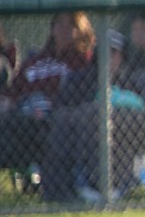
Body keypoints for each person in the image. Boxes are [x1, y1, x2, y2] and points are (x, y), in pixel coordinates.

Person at [41, 30, 145, 203]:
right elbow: (61, 110)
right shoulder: (81, 80)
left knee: (112, 121)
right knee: (87, 118)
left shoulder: (131, 80)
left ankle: (116, 186)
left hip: (125, 134)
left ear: (121, 56)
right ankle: (78, 188)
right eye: (103, 52)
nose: (108, 58)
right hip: (83, 134)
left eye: (113, 53)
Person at [0, 10, 96, 175]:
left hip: (55, 118)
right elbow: (12, 93)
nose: (63, 29)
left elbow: (81, 94)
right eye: (59, 24)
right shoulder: (35, 60)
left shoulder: (83, 61)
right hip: (21, 117)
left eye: (71, 25)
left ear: (81, 31)